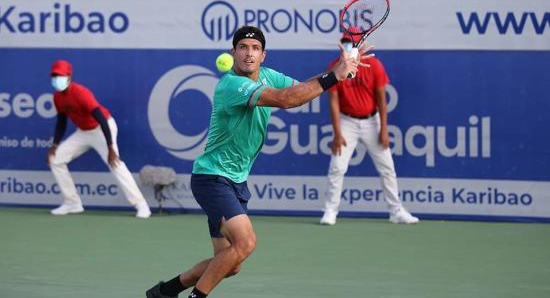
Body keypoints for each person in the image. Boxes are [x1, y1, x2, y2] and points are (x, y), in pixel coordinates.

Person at [146, 26, 368, 298]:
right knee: (246, 242)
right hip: (212, 178)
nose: (249, 54)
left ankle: (165, 291)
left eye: (255, 49)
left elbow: (299, 89)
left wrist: (339, 71)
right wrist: (334, 76)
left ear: (263, 55)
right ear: (233, 52)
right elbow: (286, 100)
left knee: (230, 264)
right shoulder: (231, 84)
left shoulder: (268, 75)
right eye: (243, 47)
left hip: (236, 180)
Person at [320, 28, 419, 225]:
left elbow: (382, 100)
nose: (348, 45)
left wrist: (383, 129)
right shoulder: (335, 67)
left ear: (359, 44)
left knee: (387, 167)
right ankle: (330, 211)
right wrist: (337, 133)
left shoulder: (374, 65)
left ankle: (396, 211)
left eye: (352, 42)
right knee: (337, 167)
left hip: (372, 121)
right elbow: (333, 102)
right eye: (345, 41)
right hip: (346, 121)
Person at [47, 60, 151, 219]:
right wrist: (54, 145)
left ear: (69, 77)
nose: (56, 79)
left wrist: (110, 147)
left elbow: (101, 119)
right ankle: (72, 203)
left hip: (102, 129)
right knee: (55, 160)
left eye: (60, 76)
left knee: (115, 163)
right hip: (83, 132)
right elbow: (61, 121)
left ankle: (141, 205)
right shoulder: (57, 98)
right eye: (54, 76)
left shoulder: (81, 93)